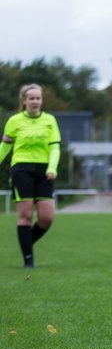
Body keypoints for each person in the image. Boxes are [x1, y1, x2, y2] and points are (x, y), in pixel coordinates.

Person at [0, 84, 60, 269]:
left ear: (41, 100)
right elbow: (5, 147)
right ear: (24, 101)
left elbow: (55, 147)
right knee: (25, 216)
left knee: (46, 218)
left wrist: (52, 167)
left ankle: (27, 243)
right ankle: (28, 259)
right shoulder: (14, 121)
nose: (35, 101)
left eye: (38, 98)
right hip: (21, 169)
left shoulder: (50, 120)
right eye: (31, 98)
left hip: (44, 171)